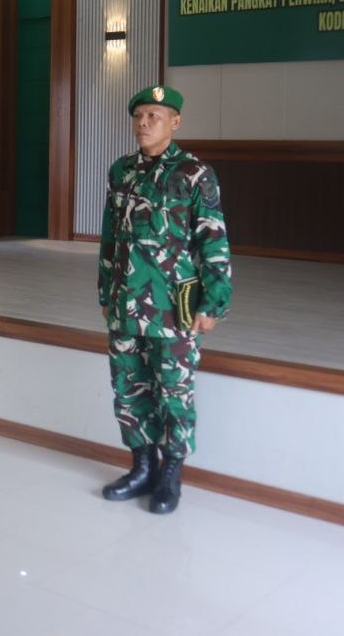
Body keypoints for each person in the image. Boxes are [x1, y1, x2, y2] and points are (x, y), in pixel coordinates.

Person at [97, 84, 232, 514]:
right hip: (125, 300)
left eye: (154, 116)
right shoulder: (121, 171)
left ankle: (170, 475)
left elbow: (213, 240)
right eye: (139, 116)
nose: (144, 123)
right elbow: (110, 236)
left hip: (174, 305)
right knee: (128, 386)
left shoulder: (195, 173)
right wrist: (105, 290)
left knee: (174, 390)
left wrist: (214, 301)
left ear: (175, 122)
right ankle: (141, 467)